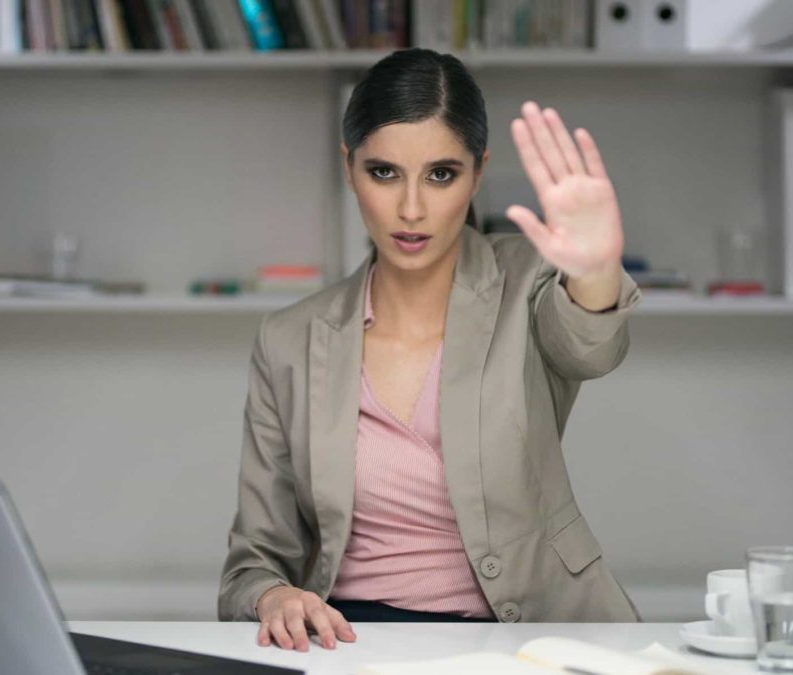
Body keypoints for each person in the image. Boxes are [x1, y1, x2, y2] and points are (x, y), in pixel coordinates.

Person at [218, 48, 641, 652]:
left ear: (478, 170)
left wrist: (597, 269)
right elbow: (253, 561)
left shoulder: (530, 279)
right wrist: (274, 595)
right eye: (384, 172)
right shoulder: (290, 338)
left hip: (532, 637)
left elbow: (589, 350)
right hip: (354, 643)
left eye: (441, 174)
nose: (411, 209)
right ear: (349, 167)